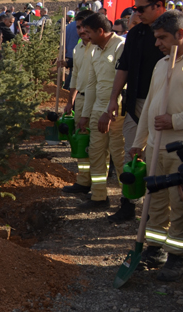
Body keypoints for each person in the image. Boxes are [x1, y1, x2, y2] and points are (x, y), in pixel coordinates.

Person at [129, 10, 183, 279]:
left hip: (179, 150)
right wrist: (139, 142)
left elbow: (167, 116)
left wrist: (174, 120)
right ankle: (155, 248)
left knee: (179, 204)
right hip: (155, 149)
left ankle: (177, 255)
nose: (157, 43)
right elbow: (149, 105)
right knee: (155, 202)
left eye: (162, 37)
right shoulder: (161, 64)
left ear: (180, 35)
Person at [105, 0, 166, 222]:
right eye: (135, 9)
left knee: (156, 158)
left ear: (159, 5)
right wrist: (114, 99)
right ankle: (129, 203)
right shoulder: (136, 33)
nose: (136, 13)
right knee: (131, 153)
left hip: (164, 107)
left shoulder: (172, 32)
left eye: (141, 9)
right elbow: (124, 67)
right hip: (135, 104)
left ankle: (154, 210)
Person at [76, 13, 126, 210]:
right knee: (96, 153)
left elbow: (124, 84)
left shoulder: (121, 47)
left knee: (119, 155)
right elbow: (92, 85)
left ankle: (128, 200)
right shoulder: (96, 51)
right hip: (98, 111)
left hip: (116, 111)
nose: (85, 36)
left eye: (88, 32)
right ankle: (98, 196)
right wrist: (86, 115)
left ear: (101, 31)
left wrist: (109, 111)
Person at [62, 10, 98, 196]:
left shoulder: (98, 48)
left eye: (85, 26)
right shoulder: (77, 49)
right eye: (78, 27)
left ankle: (99, 183)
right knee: (80, 140)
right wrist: (71, 101)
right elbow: (75, 76)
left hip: (97, 101)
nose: (82, 30)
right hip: (81, 100)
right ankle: (83, 181)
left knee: (97, 144)